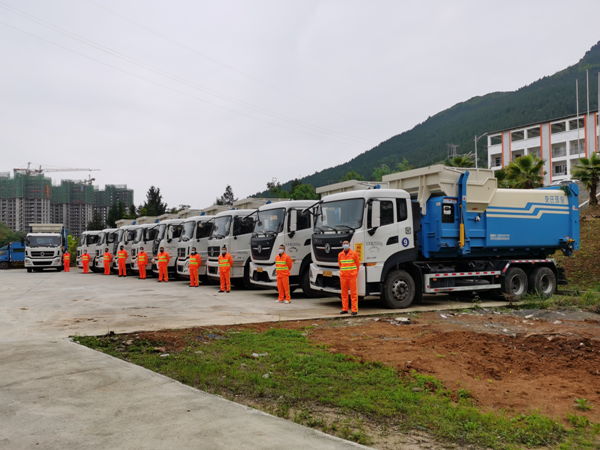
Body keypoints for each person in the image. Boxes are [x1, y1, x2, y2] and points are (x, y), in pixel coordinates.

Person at [338, 240, 360, 316]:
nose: (345, 245)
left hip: (352, 276)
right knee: (344, 294)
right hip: (343, 277)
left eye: (347, 243)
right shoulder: (340, 254)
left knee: (353, 294)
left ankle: (354, 310)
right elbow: (340, 265)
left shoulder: (354, 254)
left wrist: (355, 274)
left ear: (349, 245)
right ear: (342, 245)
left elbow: (357, 264)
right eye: (344, 243)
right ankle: (345, 309)